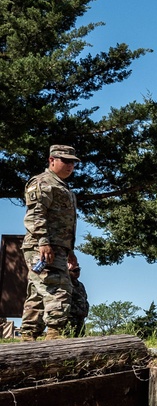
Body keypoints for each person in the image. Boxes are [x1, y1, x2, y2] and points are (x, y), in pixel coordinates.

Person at [20, 144, 80, 341]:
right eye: (65, 161)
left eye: (73, 162)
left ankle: (28, 338)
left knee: (38, 292)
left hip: (56, 248)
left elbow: (64, 224)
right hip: (43, 247)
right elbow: (35, 214)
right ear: (51, 160)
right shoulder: (43, 182)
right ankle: (54, 336)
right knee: (59, 288)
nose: (70, 165)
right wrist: (43, 242)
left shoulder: (62, 187)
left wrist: (69, 250)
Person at [67, 262, 89, 337]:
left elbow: (85, 299)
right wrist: (79, 311)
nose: (77, 272)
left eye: (78, 270)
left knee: (81, 337)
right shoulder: (66, 284)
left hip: (81, 318)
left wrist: (86, 311)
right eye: (74, 271)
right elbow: (67, 301)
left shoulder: (81, 285)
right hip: (70, 318)